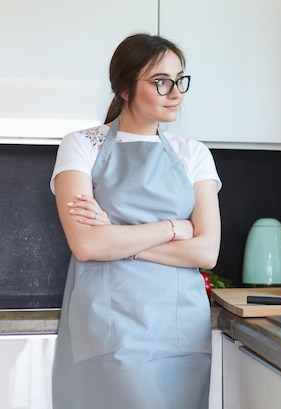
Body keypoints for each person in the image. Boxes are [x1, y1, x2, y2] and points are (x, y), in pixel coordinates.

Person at [49, 33, 221, 409]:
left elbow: (207, 252)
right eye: (161, 81)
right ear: (125, 88)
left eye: (180, 80)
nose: (175, 92)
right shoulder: (81, 145)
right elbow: (87, 244)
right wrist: (176, 229)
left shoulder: (193, 154)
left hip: (180, 330)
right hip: (109, 326)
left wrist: (117, 237)